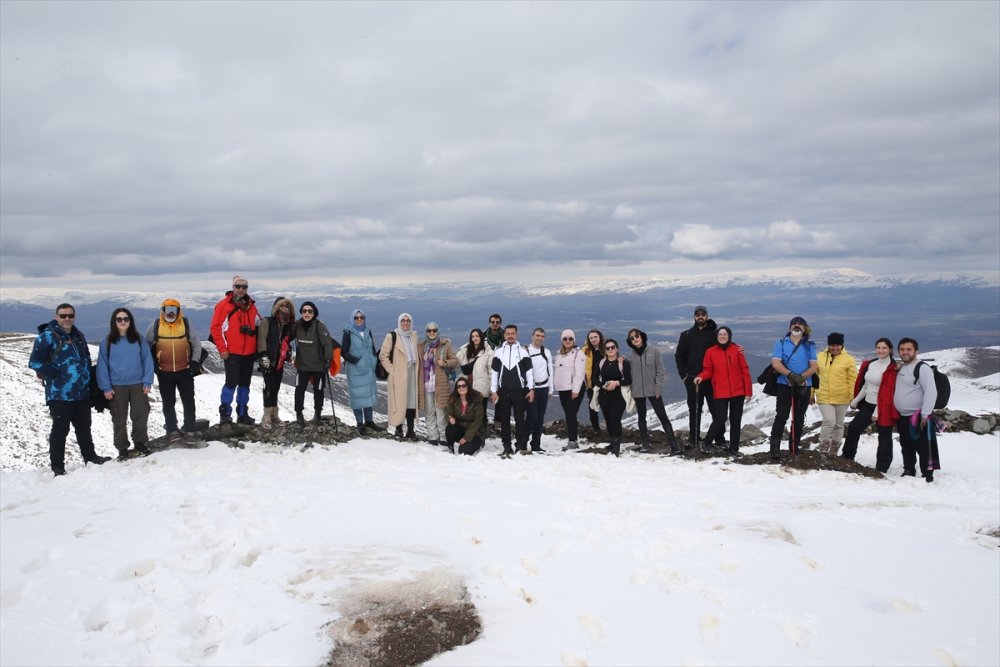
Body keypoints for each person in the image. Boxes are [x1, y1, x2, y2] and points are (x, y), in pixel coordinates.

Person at [29, 303, 111, 476]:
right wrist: (54, 373)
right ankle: (57, 466)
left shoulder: (78, 335)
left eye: (70, 315)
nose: (67, 319)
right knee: (60, 430)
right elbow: (34, 362)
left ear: (74, 316)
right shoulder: (47, 337)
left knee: (84, 427)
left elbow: (86, 359)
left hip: (81, 392)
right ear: (56, 316)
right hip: (60, 394)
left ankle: (90, 457)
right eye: (63, 315)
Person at [97, 307, 155, 461]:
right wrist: (106, 387)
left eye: (126, 319)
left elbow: (147, 360)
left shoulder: (138, 339)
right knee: (119, 418)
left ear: (130, 321)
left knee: (140, 415)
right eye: (119, 319)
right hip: (116, 387)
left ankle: (140, 443)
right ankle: (122, 448)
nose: (122, 322)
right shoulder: (107, 341)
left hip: (138, 384)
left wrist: (148, 380)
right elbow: (102, 365)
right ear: (114, 322)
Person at [145, 298, 203, 445]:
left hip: (185, 371)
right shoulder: (156, 325)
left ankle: (190, 431)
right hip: (164, 372)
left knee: (189, 401)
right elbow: (146, 345)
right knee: (168, 403)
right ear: (162, 311)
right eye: (168, 310)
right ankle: (172, 431)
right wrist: (153, 363)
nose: (170, 313)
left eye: (174, 310)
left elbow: (196, 343)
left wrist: (195, 361)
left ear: (179, 311)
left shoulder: (186, 324)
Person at [694, 326, 752, 457]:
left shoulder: (737, 350)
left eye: (725, 334)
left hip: (738, 392)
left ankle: (734, 449)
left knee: (736, 421)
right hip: (720, 391)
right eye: (720, 334)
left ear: (729, 335)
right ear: (717, 336)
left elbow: (745, 370)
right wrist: (701, 376)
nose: (722, 336)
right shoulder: (710, 352)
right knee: (720, 418)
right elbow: (708, 370)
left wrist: (748, 390)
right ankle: (707, 443)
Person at [210, 275, 261, 425]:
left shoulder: (251, 306)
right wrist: (222, 349)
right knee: (231, 382)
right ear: (233, 287)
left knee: (245, 383)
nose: (241, 289)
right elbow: (215, 328)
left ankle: (242, 413)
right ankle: (225, 413)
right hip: (232, 352)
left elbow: (258, 323)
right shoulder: (224, 305)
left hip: (249, 352)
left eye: (244, 287)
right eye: (238, 286)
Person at [842, 338, 899, 473]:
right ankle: (847, 457)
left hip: (884, 407)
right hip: (868, 404)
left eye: (884, 348)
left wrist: (877, 412)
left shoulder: (892, 368)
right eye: (878, 347)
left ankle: (882, 467)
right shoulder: (872, 364)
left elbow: (887, 392)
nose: (881, 350)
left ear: (890, 350)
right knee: (854, 428)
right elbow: (867, 385)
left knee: (884, 436)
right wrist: (856, 400)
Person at [768, 316, 818, 460]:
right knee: (782, 416)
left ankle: (794, 446)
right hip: (784, 385)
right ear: (790, 328)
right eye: (794, 324)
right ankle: (774, 448)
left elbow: (813, 366)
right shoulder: (781, 343)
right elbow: (776, 363)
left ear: (805, 328)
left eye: (800, 324)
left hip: (803, 385)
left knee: (799, 417)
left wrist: (800, 378)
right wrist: (791, 375)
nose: (797, 326)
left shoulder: (809, 345)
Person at [675, 306, 726, 450]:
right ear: (694, 317)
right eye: (697, 315)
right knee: (694, 409)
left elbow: (725, 345)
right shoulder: (686, 335)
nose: (700, 317)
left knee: (716, 410)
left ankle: (719, 438)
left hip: (711, 380)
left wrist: (738, 348)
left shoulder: (714, 334)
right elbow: (679, 356)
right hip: (692, 379)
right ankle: (694, 438)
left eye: (703, 314)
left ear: (707, 316)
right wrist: (683, 376)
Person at [626, 328, 681, 455]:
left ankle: (674, 445)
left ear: (642, 336)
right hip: (638, 391)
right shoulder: (630, 357)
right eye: (632, 338)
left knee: (663, 417)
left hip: (653, 390)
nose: (635, 339)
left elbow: (660, 371)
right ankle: (645, 443)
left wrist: (658, 389)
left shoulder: (654, 352)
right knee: (641, 417)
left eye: (637, 336)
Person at [893, 338, 940, 482]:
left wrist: (925, 415)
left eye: (908, 349)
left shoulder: (922, 368)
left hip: (918, 416)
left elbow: (931, 392)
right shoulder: (902, 367)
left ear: (916, 351)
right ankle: (909, 469)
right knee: (906, 445)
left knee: (923, 446)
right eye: (902, 349)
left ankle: (927, 474)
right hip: (903, 416)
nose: (905, 352)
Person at [490, 324, 535, 457]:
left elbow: (529, 373)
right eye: (508, 334)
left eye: (512, 334)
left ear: (516, 335)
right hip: (503, 391)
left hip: (519, 391)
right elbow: (494, 373)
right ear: (504, 335)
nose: (510, 336)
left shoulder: (523, 352)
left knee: (520, 419)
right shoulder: (498, 352)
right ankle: (506, 447)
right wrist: (494, 391)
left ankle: (521, 446)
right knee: (504, 420)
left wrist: (531, 389)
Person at [811, 332, 858, 456]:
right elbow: (813, 377)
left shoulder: (849, 360)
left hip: (842, 397)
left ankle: (834, 451)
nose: (835, 348)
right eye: (832, 345)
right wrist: (811, 395)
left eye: (838, 345)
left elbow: (852, 380)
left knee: (838, 424)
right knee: (829, 421)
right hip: (824, 396)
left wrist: (853, 398)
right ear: (828, 345)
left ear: (842, 345)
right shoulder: (819, 357)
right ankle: (823, 449)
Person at [291, 301, 336, 426]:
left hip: (319, 366)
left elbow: (327, 343)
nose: (307, 313)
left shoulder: (319, 326)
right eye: (304, 311)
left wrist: (328, 360)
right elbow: (288, 336)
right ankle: (299, 414)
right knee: (299, 390)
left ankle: (318, 414)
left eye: (310, 311)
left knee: (319, 390)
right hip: (302, 365)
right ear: (301, 312)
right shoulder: (297, 325)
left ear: (314, 313)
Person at [380, 313, 422, 440]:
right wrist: (392, 370)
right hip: (398, 374)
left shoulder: (413, 336)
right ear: (399, 322)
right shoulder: (391, 336)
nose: (405, 323)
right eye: (403, 320)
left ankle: (410, 430)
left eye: (408, 320)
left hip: (412, 373)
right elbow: (383, 355)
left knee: (410, 402)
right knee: (399, 402)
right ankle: (398, 428)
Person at [256, 297, 296, 430]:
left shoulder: (287, 325)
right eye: (282, 306)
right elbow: (261, 340)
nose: (284, 309)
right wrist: (264, 358)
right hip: (269, 360)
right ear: (276, 308)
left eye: (287, 307)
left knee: (276, 388)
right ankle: (266, 417)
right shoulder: (267, 322)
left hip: (279, 361)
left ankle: (274, 416)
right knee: (268, 388)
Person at [341, 309, 381, 435]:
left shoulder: (368, 331)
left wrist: (374, 359)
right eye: (356, 318)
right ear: (352, 319)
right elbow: (344, 352)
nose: (359, 320)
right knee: (357, 396)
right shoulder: (348, 333)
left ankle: (369, 421)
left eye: (361, 317)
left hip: (368, 368)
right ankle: (360, 423)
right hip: (355, 370)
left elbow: (372, 347)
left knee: (368, 394)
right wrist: (357, 361)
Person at [419, 322, 458, 446]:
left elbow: (455, 361)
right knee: (429, 411)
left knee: (441, 411)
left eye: (434, 330)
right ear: (426, 332)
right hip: (426, 385)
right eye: (429, 330)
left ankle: (443, 436)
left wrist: (445, 362)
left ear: (437, 331)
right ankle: (432, 436)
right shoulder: (421, 346)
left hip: (440, 385)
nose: (432, 333)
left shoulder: (445, 345)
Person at [593, 338, 632, 457]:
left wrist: (617, 383)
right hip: (604, 395)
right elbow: (594, 379)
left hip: (618, 395)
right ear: (604, 350)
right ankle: (612, 442)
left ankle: (617, 445)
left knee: (615, 419)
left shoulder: (623, 363)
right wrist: (603, 386)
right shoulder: (601, 363)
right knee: (608, 419)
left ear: (617, 349)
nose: (610, 350)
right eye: (607, 348)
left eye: (612, 347)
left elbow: (628, 380)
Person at [553, 329, 587, 451]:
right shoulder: (559, 354)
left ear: (574, 340)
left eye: (570, 338)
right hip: (563, 389)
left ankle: (573, 441)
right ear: (562, 340)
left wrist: (576, 390)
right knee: (569, 414)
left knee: (570, 414)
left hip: (574, 389)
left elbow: (580, 374)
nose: (567, 341)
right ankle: (572, 438)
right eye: (565, 339)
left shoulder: (579, 354)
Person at [525, 328, 554, 452]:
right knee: (532, 416)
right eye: (537, 335)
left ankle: (536, 445)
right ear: (532, 336)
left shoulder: (546, 352)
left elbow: (550, 371)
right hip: (531, 389)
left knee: (540, 418)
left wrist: (550, 389)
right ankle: (522, 442)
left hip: (543, 387)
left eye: (542, 336)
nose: (540, 338)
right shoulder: (525, 351)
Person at [445, 379, 485, 455]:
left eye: (463, 386)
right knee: (450, 428)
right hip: (461, 429)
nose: (461, 388)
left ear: (468, 387)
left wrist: (466, 437)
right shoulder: (453, 399)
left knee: (463, 451)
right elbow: (448, 413)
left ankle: (476, 444)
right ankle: (450, 447)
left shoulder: (476, 400)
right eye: (458, 386)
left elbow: (477, 421)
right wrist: (450, 418)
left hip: (475, 433)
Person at [582, 329, 605, 435]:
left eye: (595, 337)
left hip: (605, 383)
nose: (593, 339)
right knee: (592, 406)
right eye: (591, 338)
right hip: (591, 383)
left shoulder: (606, 348)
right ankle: (596, 429)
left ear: (600, 337)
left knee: (607, 407)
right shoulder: (585, 350)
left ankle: (611, 428)